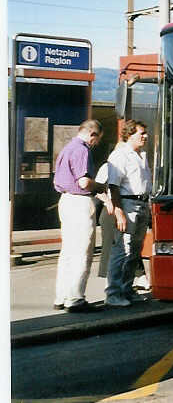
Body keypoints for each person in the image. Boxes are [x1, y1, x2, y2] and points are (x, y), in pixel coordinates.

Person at [52, 119, 106, 312]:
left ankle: (61, 297)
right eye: (97, 139)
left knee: (67, 252)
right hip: (80, 203)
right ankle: (75, 299)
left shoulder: (67, 148)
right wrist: (101, 186)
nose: (96, 143)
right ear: (92, 135)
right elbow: (84, 183)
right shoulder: (83, 150)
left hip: (65, 200)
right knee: (82, 253)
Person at [104, 120, 152, 307]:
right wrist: (119, 212)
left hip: (141, 203)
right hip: (127, 203)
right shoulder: (120, 155)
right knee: (122, 250)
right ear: (129, 134)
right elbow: (114, 186)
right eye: (141, 133)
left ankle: (126, 289)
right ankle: (113, 293)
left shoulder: (141, 155)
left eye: (145, 133)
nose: (145, 136)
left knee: (134, 251)